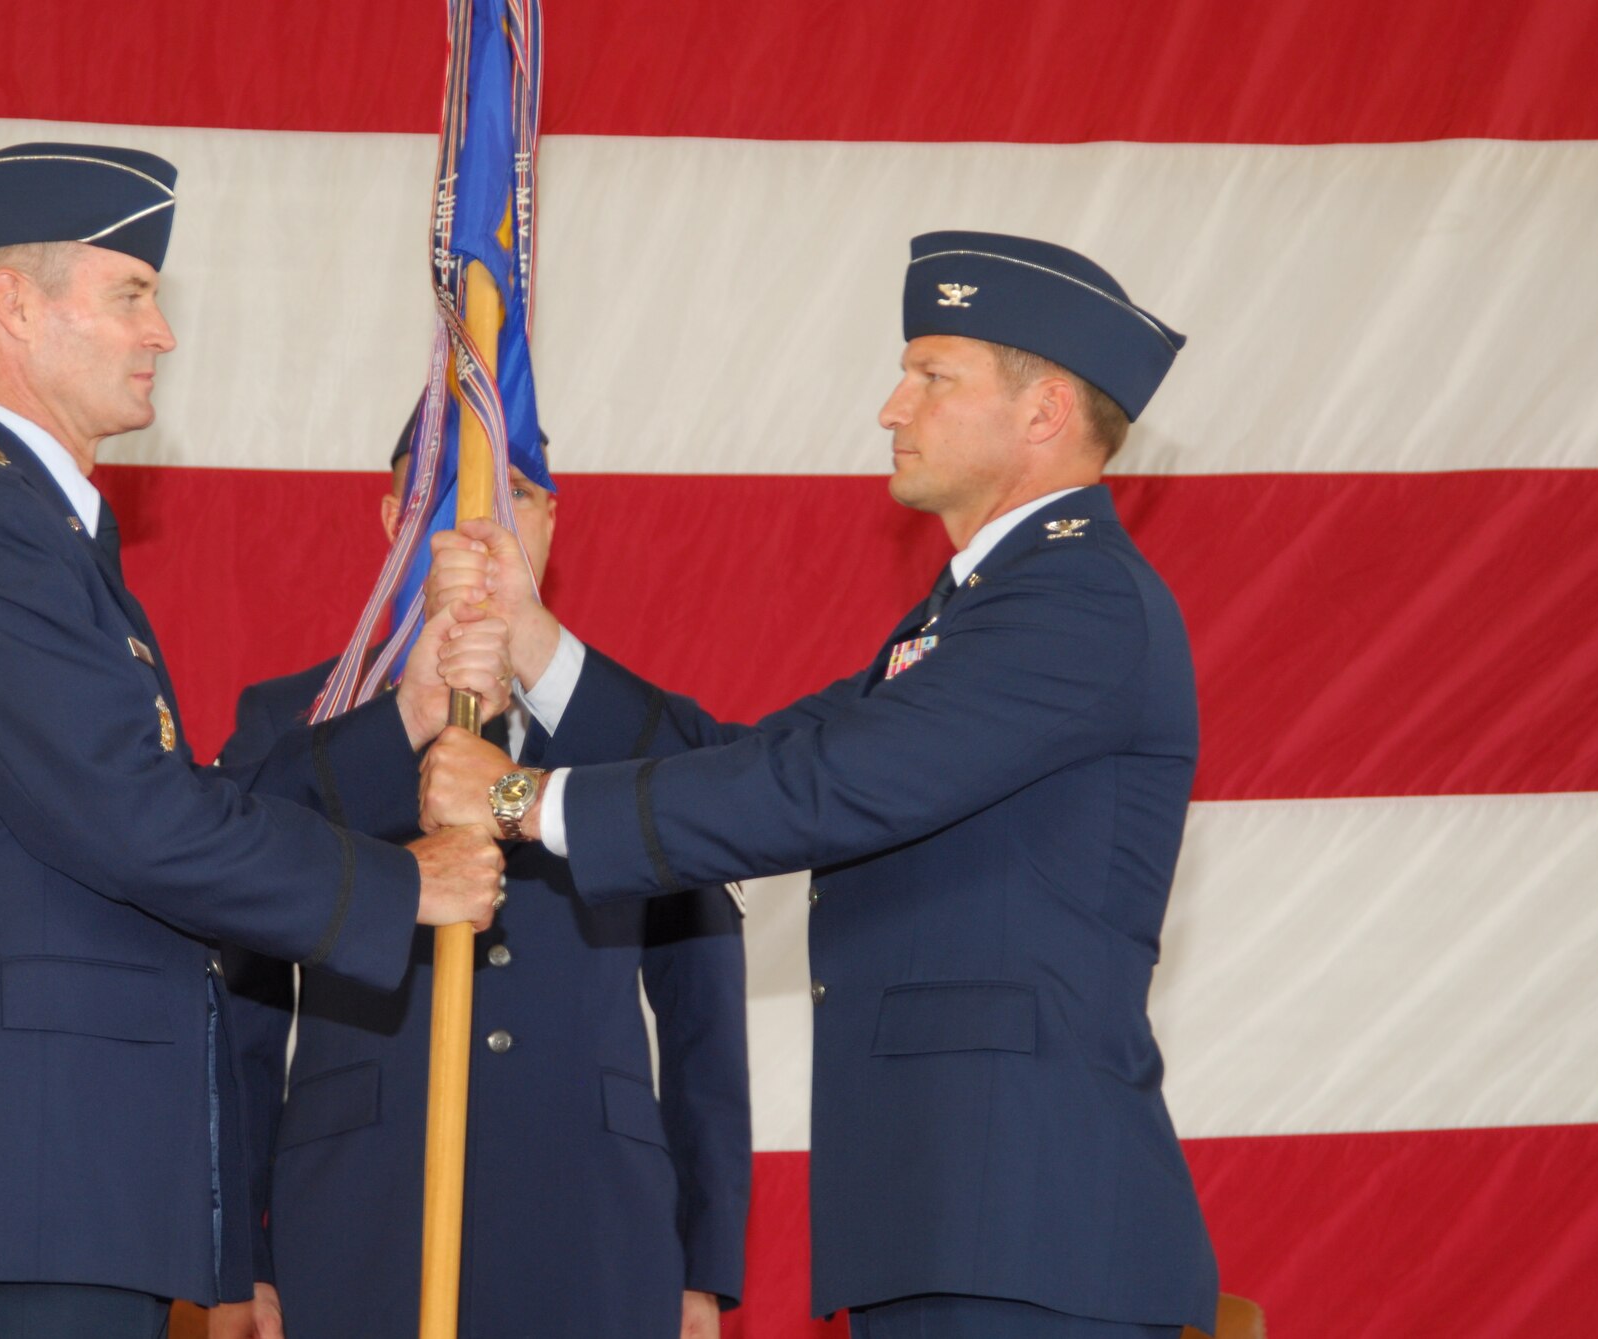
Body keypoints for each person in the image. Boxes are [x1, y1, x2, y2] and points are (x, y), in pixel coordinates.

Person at [418, 232, 1220, 1338]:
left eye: (932, 375)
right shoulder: (977, 611)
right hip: (957, 1214)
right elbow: (751, 755)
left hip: (1026, 1224)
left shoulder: (1075, 602)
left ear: (1043, 414)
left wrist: (520, 803)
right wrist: (533, 639)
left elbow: (825, 787)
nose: (892, 407)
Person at [0, 142, 506, 1339]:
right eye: (131, 293)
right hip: (35, 1175)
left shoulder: (27, 527)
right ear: (15, 306)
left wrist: (399, 724)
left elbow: (164, 800)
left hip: (71, 1175)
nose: (162, 334)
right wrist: (403, 884)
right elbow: (136, 822)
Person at [214, 415, 750, 1339]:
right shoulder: (296, 730)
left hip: (596, 1217)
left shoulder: (632, 732)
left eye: (516, 498)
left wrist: (703, 1259)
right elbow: (242, 1008)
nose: (479, 525)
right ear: (393, 523)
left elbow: (701, 997)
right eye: (444, 500)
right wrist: (239, 1258)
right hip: (357, 1212)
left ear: (551, 524)